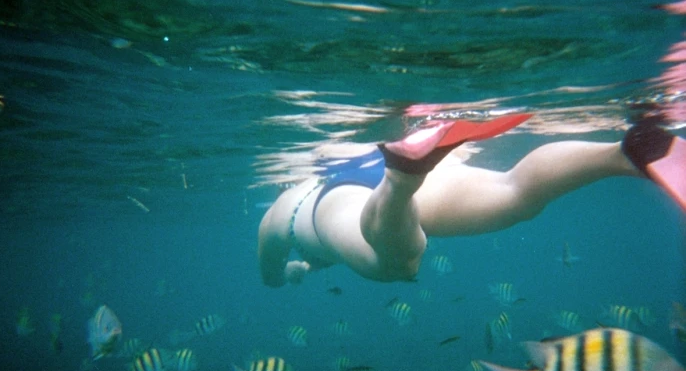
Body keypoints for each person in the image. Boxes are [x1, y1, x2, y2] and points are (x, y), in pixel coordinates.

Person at [258, 111, 685, 287]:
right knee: (512, 193)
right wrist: (309, 265)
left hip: (335, 202)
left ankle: (402, 179)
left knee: (394, 266)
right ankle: (627, 152)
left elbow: (270, 274)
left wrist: (287, 274)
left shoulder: (283, 207)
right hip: (390, 163)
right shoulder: (335, 162)